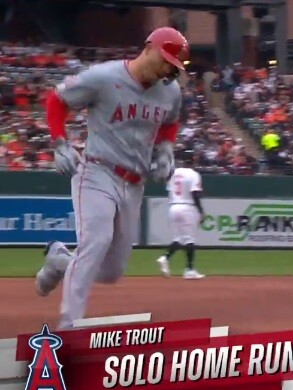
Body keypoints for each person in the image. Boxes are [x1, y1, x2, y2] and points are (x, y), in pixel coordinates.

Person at [34, 27, 189, 330]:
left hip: (135, 183)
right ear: (149, 48)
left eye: (173, 66)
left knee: (111, 271)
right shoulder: (104, 77)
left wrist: (166, 150)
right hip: (97, 172)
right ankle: (69, 325)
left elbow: (170, 123)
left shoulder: (170, 91)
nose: (168, 70)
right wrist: (60, 142)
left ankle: (59, 259)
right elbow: (57, 100)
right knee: (96, 241)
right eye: (166, 61)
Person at [156, 155, 205, 279]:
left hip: (173, 206)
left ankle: (165, 258)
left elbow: (170, 191)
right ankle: (190, 270)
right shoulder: (194, 174)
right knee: (190, 239)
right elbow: (195, 193)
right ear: (193, 162)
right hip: (188, 207)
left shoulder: (173, 173)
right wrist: (200, 210)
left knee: (178, 239)